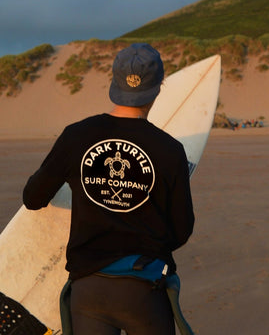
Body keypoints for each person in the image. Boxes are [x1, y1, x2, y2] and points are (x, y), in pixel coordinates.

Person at [23, 43, 195, 335]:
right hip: (144, 290)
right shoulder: (170, 150)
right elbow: (182, 229)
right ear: (159, 87)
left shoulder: (76, 136)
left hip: (88, 288)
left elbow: (33, 198)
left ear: (114, 82)